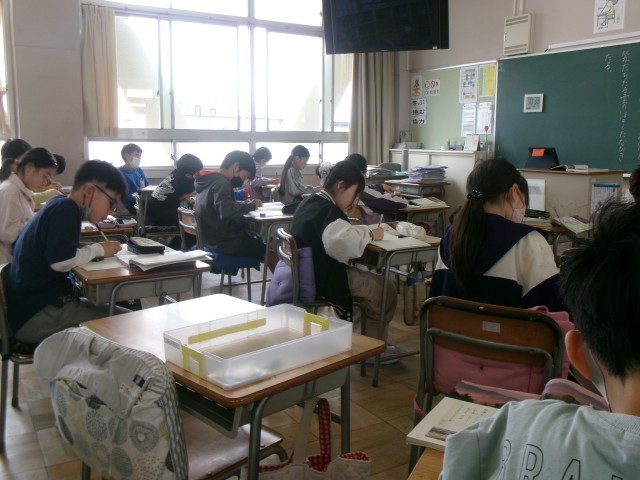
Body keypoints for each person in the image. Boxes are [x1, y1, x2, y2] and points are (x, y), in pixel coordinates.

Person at [439, 200, 640, 479]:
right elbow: (556, 306)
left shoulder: (515, 426)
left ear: (579, 354)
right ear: (514, 193)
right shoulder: (529, 241)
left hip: (448, 367)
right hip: (520, 370)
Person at [7, 160, 127, 345]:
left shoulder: (58, 203)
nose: (109, 212)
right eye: (111, 203)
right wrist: (98, 249)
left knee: (126, 317)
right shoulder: (66, 210)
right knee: (128, 326)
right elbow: (61, 262)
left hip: (34, 309)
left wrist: (85, 248)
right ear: (90, 191)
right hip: (40, 315)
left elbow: (54, 249)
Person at [290, 160, 398, 351]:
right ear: (340, 186)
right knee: (384, 290)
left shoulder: (310, 201)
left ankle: (358, 339)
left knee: (365, 286)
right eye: (355, 194)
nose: (355, 203)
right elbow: (342, 244)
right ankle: (371, 348)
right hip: (322, 278)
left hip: (305, 273)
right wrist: (371, 234)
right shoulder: (328, 210)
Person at [429, 158, 563, 311]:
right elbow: (554, 310)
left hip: (450, 327)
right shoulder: (528, 241)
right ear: (514, 192)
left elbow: (435, 304)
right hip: (506, 327)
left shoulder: (450, 236)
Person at [194, 150, 275, 268]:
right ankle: (286, 279)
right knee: (270, 253)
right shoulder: (222, 183)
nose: (242, 182)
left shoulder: (207, 181)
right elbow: (226, 211)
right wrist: (252, 205)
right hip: (226, 242)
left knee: (256, 244)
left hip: (210, 241)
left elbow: (219, 206)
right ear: (236, 167)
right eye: (244, 176)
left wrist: (242, 204)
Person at [0, 148, 58, 263]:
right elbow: (8, 235)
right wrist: (40, 226)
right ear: (30, 168)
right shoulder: (11, 192)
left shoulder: (18, 190)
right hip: (8, 262)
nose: (45, 183)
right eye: (45, 176)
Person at [345, 153, 408, 224]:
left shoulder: (342, 190)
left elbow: (369, 190)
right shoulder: (361, 192)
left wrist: (380, 187)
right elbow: (402, 203)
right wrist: (397, 195)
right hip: (375, 228)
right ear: (364, 173)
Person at [146, 153, 203, 231]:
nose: (198, 173)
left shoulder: (176, 172)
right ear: (188, 173)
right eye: (197, 171)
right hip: (160, 218)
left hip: (151, 214)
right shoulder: (181, 181)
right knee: (196, 224)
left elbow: (181, 196)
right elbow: (191, 193)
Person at [118, 143, 148, 214]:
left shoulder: (139, 171)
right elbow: (126, 196)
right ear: (127, 156)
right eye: (137, 155)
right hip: (130, 206)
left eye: (140, 156)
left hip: (142, 202)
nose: (139, 158)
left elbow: (147, 187)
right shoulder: (119, 173)